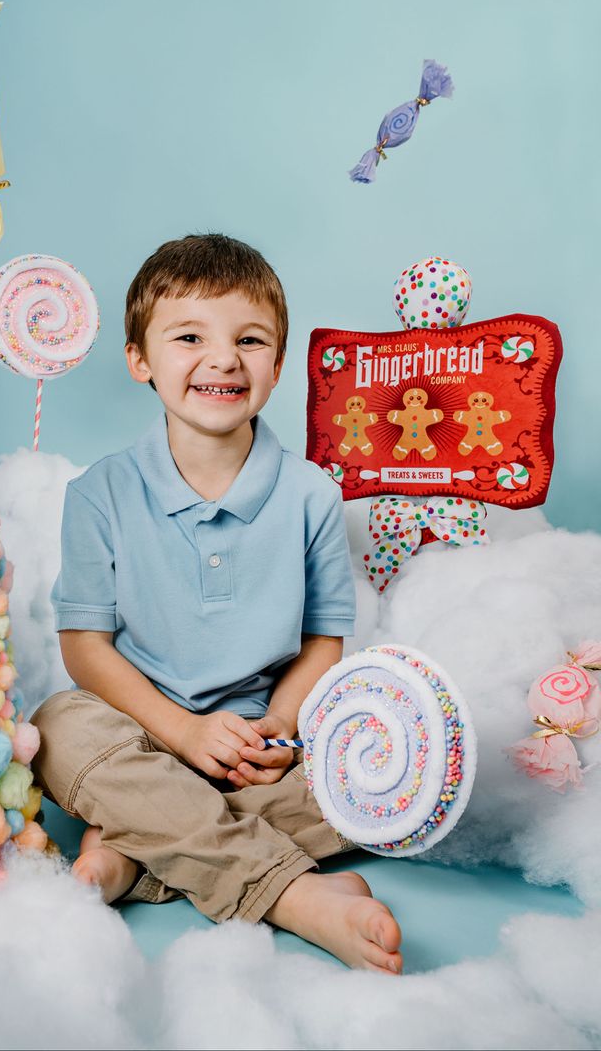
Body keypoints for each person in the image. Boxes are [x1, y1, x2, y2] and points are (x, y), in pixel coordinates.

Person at [32, 234, 402, 973]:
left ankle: (136, 855)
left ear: (279, 360)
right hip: (136, 731)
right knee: (55, 726)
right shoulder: (98, 493)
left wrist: (276, 725)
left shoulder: (310, 496)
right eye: (190, 336)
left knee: (382, 785)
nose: (224, 358)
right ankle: (295, 896)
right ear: (141, 359)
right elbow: (84, 649)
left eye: (250, 339)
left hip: (259, 754)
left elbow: (323, 642)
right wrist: (179, 733)